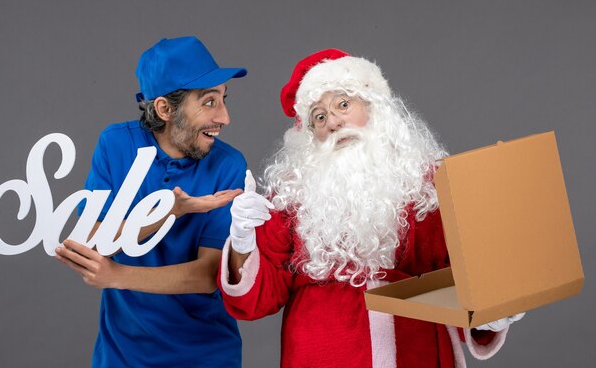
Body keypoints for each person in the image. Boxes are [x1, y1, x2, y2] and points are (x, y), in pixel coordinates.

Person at [218, 49, 523, 367]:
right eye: (319, 117)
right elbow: (257, 300)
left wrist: (487, 312)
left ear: (373, 106)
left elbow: (458, 276)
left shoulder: (428, 184)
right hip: (321, 353)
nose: (334, 122)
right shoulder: (291, 198)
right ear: (310, 135)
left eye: (343, 105)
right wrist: (242, 242)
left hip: (417, 350)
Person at [55, 36, 247, 368]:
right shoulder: (117, 145)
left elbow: (209, 274)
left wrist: (117, 275)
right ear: (164, 109)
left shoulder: (229, 165)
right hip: (122, 355)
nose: (225, 117)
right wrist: (169, 212)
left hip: (207, 356)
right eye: (209, 102)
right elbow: (93, 242)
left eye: (224, 99)